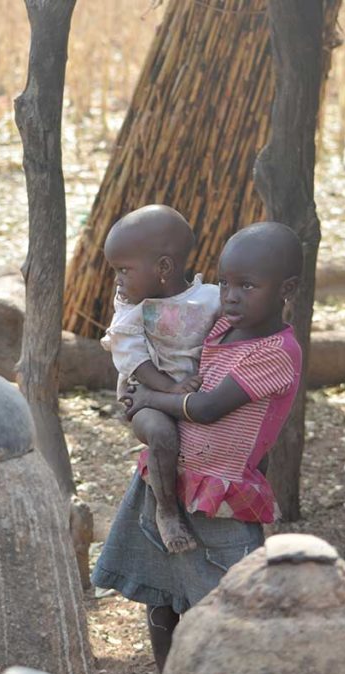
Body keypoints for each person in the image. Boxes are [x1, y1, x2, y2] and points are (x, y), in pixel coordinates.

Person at [92, 222, 304, 673]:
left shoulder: (276, 351)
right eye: (225, 282)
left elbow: (207, 407)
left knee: (232, 602)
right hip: (169, 478)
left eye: (247, 286)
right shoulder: (220, 327)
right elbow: (159, 322)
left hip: (222, 496)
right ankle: (170, 672)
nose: (230, 295)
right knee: (161, 590)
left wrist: (148, 398)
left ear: (287, 289)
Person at [101, 205, 222, 554]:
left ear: (164, 268)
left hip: (197, 396)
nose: (117, 280)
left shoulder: (210, 299)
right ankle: (166, 511)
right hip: (146, 398)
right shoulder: (131, 308)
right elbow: (130, 355)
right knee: (161, 433)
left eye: (124, 270)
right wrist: (168, 387)